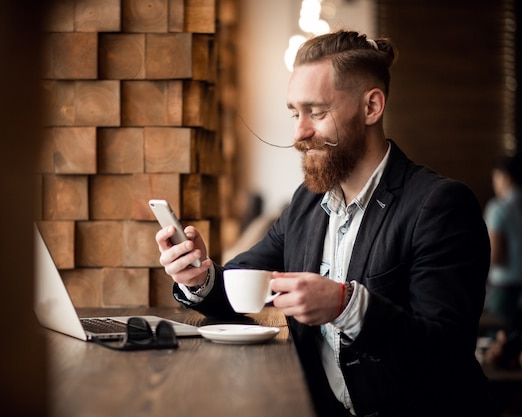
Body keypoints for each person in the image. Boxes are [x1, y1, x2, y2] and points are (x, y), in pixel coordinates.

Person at [155, 30, 493, 417]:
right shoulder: (307, 202)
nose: (299, 132)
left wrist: (343, 304)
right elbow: (245, 284)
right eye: (295, 113)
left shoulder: (441, 205)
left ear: (372, 107)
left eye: (316, 113)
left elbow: (445, 352)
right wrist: (199, 277)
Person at [484, 155, 522, 332]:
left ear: (504, 176)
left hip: (505, 289)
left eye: (495, 177)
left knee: (499, 342)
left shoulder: (498, 208)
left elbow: (496, 254)